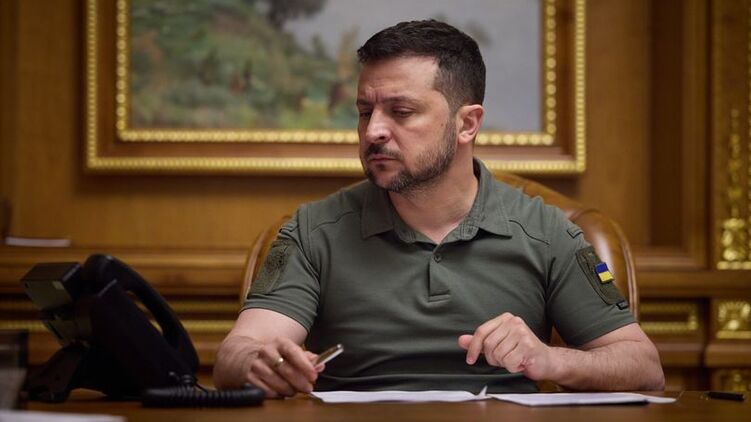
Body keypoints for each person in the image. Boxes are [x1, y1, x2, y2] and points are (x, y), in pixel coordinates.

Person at [213, 19, 664, 397]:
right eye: (365, 111)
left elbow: (643, 366)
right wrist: (259, 363)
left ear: (467, 123)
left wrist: (551, 360)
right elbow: (238, 351)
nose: (373, 131)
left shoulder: (546, 231)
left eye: (401, 112)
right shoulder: (314, 229)